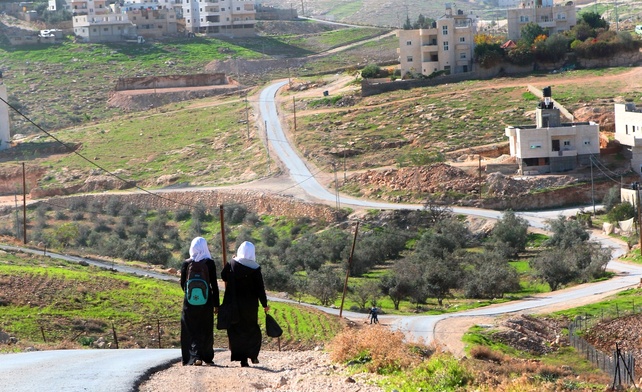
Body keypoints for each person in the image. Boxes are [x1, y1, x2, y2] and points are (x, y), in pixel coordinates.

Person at [221, 241, 269, 367]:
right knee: (252, 329)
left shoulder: (232, 264)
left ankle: (242, 359)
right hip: (250, 306)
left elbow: (223, 276)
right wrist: (265, 304)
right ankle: (253, 355)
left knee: (236, 330)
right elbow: (260, 288)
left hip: (234, 304)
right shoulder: (255, 268)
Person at [180, 237, 219, 366]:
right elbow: (214, 285)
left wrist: (191, 295)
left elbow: (182, 285)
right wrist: (216, 304)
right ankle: (206, 356)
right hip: (206, 301)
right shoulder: (210, 263)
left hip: (190, 302)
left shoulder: (186, 263)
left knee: (189, 329)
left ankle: (192, 357)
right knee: (205, 328)